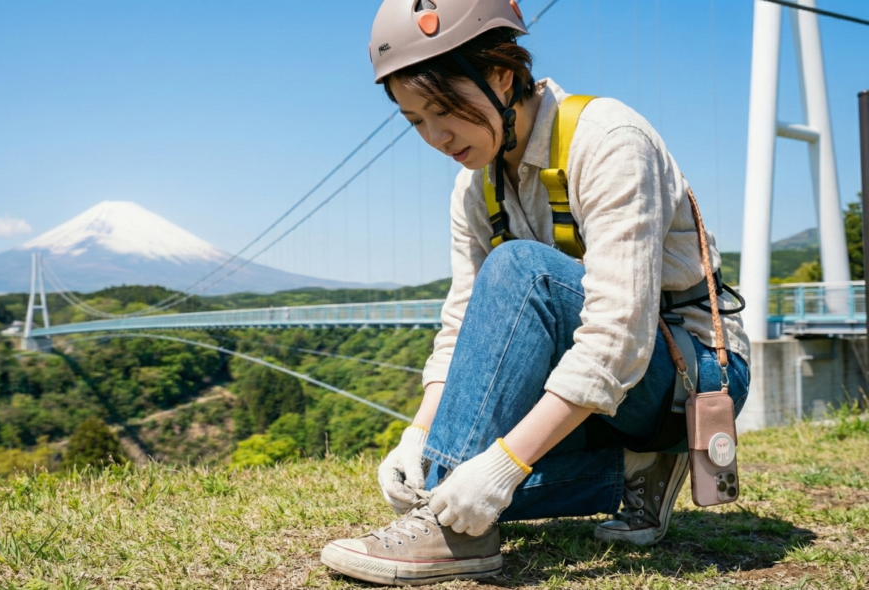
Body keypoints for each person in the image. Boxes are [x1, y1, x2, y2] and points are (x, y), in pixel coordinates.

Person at [319, 0, 751, 586]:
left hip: (688, 371)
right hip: (597, 388)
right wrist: (419, 434)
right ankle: (634, 470)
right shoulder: (475, 188)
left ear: (501, 76)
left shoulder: (608, 138)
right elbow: (461, 327)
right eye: (415, 120)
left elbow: (616, 336)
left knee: (521, 269)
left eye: (444, 108)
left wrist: (502, 464)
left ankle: (455, 540)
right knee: (460, 493)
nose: (436, 136)